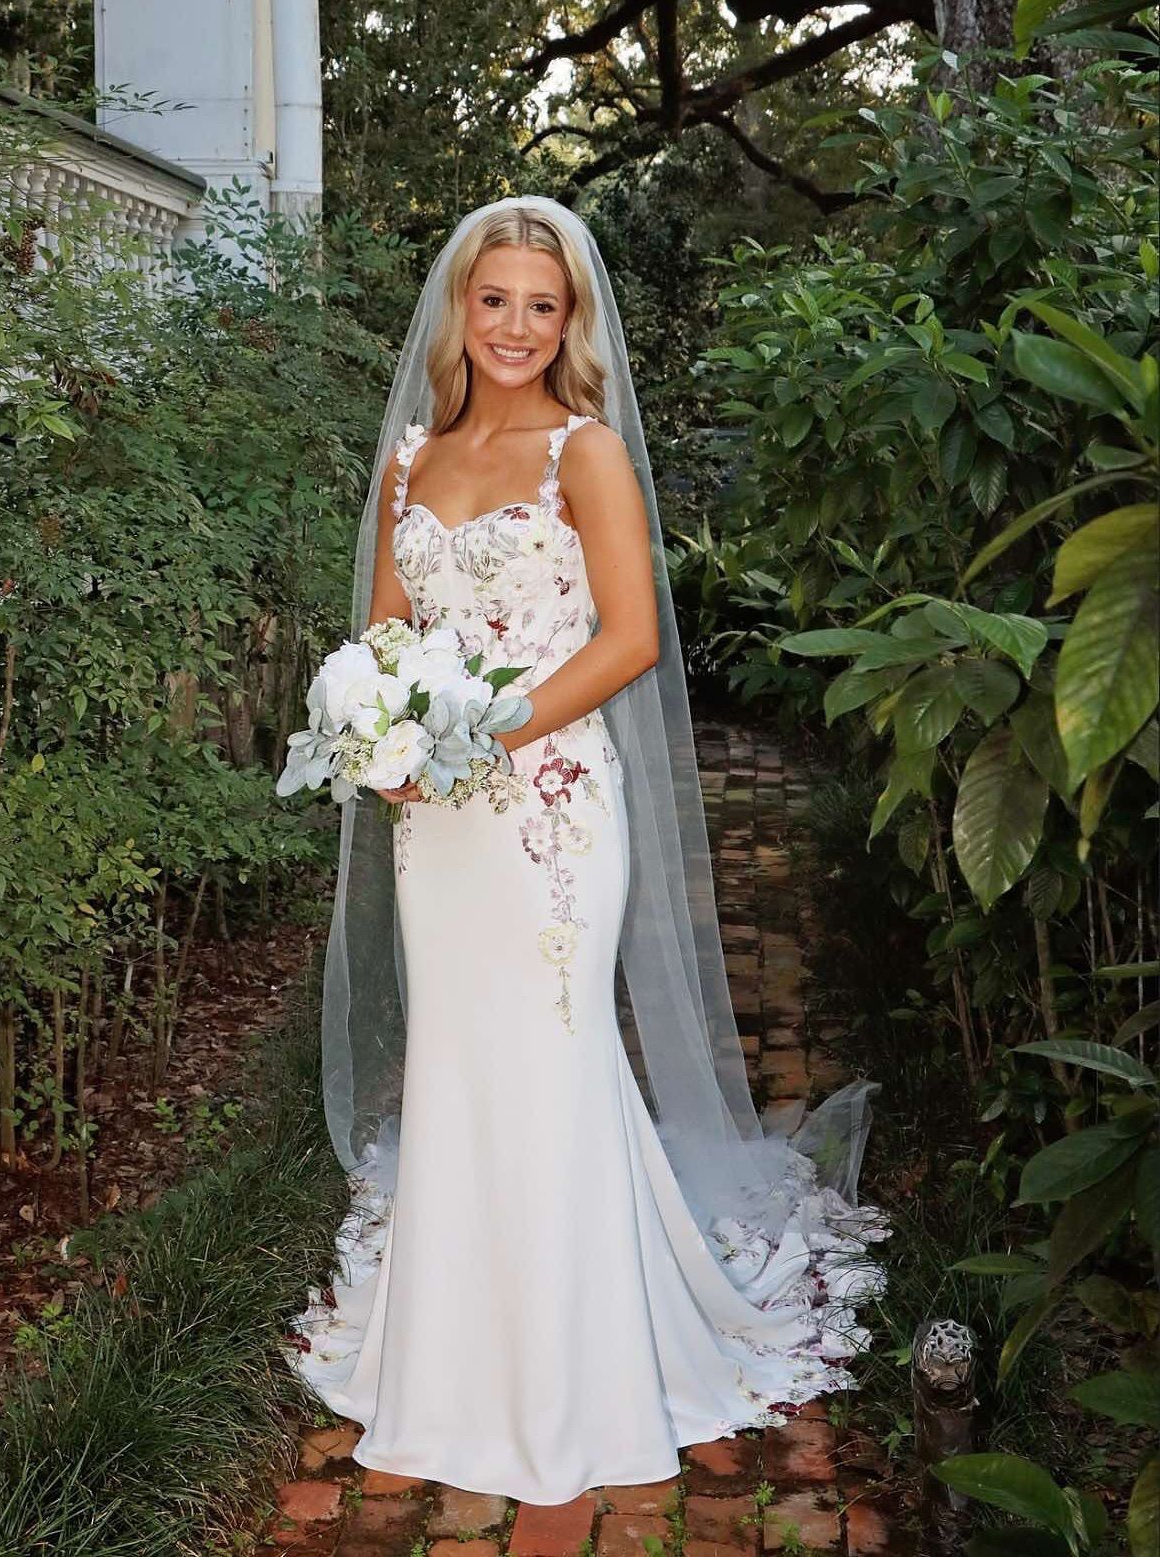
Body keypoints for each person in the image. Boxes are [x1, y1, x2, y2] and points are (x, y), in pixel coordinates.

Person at [282, 196, 890, 1505]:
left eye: (539, 305)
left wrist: (487, 728)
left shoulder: (584, 453)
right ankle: (453, 1361)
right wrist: (382, 733)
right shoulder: (409, 459)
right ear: (460, 309)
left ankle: (574, 1370)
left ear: (571, 320)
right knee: (458, 1066)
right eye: (492, 299)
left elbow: (627, 641)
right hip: (435, 821)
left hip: (550, 809)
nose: (513, 326)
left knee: (547, 1062)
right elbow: (383, 634)